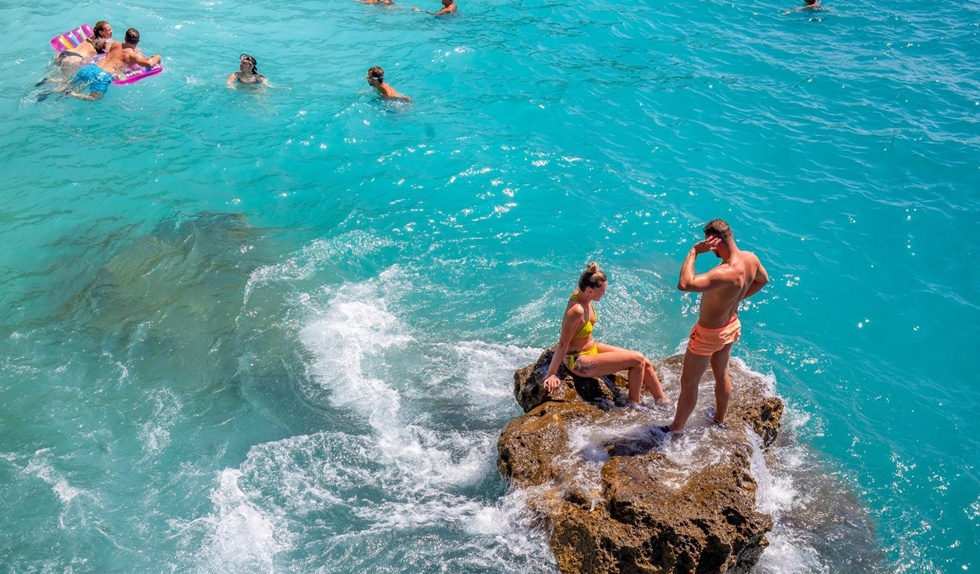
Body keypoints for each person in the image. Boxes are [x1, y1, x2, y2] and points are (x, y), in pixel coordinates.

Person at [660, 220, 769, 433]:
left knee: (689, 382)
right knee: (721, 374)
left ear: (715, 242)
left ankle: (676, 428)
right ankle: (720, 420)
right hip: (730, 325)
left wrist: (694, 252)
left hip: (709, 334)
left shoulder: (724, 272)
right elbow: (763, 280)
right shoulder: (751, 259)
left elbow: (684, 284)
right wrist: (736, 299)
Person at [543, 263, 668, 405]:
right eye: (602, 290)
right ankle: (634, 405)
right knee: (637, 360)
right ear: (590, 290)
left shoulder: (581, 293)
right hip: (579, 361)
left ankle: (663, 401)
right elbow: (563, 344)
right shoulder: (576, 311)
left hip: (591, 348)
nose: (604, 293)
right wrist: (551, 373)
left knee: (645, 361)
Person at [66, 28, 160, 101]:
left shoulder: (115, 44)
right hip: (103, 75)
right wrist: (157, 57)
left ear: (124, 38)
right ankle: (73, 94)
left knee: (69, 84)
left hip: (91, 68)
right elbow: (150, 63)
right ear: (138, 41)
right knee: (95, 98)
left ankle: (59, 90)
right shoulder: (134, 56)